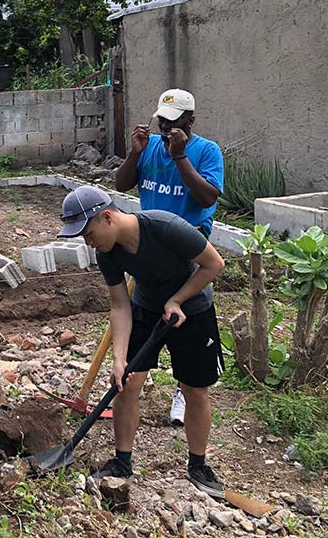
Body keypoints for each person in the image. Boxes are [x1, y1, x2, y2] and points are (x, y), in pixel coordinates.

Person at [58, 185, 226, 498]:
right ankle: (122, 461)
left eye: (88, 233)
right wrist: (119, 358)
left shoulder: (165, 227)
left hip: (194, 308)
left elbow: (214, 265)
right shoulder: (107, 253)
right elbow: (120, 305)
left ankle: (198, 464)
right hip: (147, 308)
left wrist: (177, 300)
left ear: (107, 217)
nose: (88, 241)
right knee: (127, 382)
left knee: (193, 389)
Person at [113, 88, 224, 426]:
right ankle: (135, 380)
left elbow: (207, 197)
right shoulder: (150, 150)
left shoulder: (206, 151)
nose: (165, 127)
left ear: (190, 120)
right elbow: (121, 183)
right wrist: (134, 154)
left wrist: (180, 157)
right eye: (162, 120)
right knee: (147, 313)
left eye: (173, 122)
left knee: (185, 315)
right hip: (149, 245)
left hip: (190, 248)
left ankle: (184, 386)